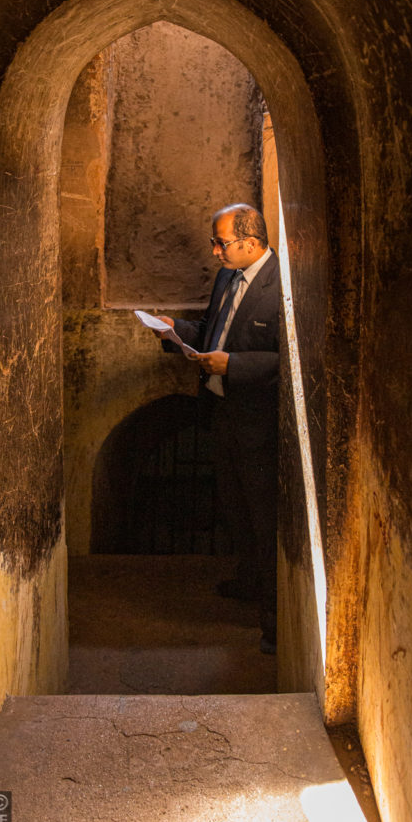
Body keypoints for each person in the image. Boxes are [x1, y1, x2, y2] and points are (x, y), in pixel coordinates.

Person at [154, 203, 280, 654]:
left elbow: (292, 360)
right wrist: (178, 331)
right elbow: (214, 329)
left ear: (251, 242)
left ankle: (275, 623)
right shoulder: (228, 276)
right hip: (222, 413)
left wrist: (235, 366)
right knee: (236, 508)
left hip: (258, 423)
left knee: (265, 520)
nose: (214, 251)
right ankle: (249, 582)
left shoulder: (281, 285)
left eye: (221, 243)